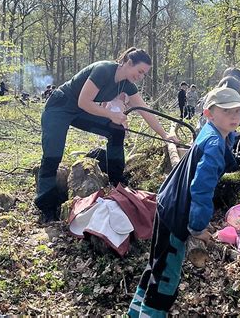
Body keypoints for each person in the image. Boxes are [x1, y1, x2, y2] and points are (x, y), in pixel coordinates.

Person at [128, 87, 240, 317]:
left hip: (168, 202)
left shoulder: (211, 131)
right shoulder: (213, 144)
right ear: (208, 113)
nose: (235, 116)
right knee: (166, 276)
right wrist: (197, 227)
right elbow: (201, 189)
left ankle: (135, 312)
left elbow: (226, 142)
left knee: (157, 263)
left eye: (239, 111)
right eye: (227, 110)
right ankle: (151, 313)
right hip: (178, 214)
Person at [35, 47, 178, 223]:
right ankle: (46, 206)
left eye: (144, 74)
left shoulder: (127, 84)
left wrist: (164, 134)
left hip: (80, 111)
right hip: (60, 106)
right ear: (128, 63)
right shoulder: (103, 70)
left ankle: (117, 181)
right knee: (52, 155)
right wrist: (111, 114)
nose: (140, 77)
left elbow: (145, 110)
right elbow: (84, 101)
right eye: (139, 71)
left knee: (116, 130)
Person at [196, 67, 240, 132]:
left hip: (202, 132)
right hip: (212, 134)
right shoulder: (230, 96)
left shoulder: (212, 93)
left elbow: (198, 108)